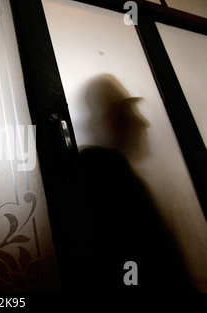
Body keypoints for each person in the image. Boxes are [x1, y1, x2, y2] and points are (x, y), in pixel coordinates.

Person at [77, 74, 194, 292]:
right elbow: (135, 261)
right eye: (132, 111)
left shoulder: (109, 172)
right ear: (116, 118)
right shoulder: (110, 175)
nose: (145, 122)